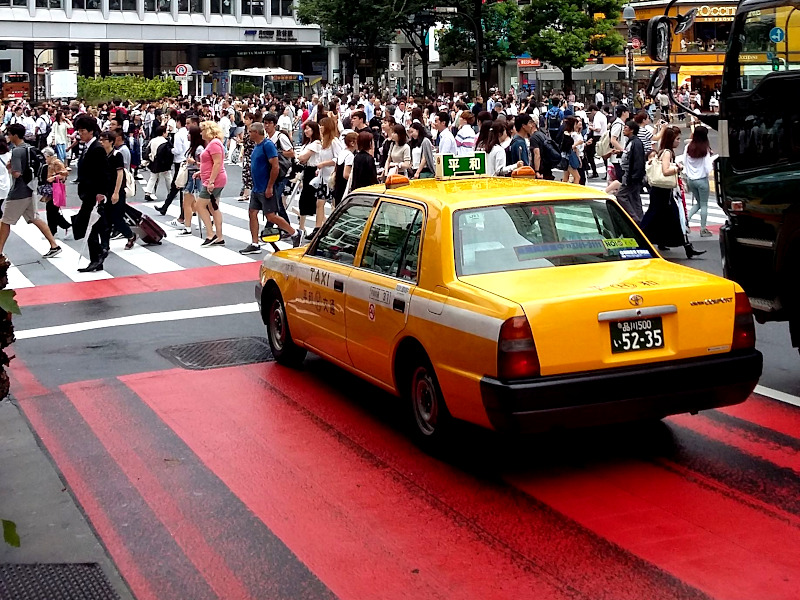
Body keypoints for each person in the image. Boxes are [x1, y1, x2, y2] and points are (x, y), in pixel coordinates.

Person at [641, 126, 706, 258]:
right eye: (677, 139)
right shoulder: (667, 153)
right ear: (671, 140)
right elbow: (665, 171)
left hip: (660, 191)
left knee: (664, 217)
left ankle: (665, 242)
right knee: (662, 216)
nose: (679, 141)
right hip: (663, 192)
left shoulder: (662, 151)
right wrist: (677, 168)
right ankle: (640, 237)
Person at [238, 122, 301, 255]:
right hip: (257, 187)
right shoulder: (257, 146)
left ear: (256, 132)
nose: (248, 134)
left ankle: (294, 233)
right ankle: (255, 243)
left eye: (250, 132)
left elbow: (275, 166)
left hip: (266, 187)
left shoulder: (267, 145)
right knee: (252, 213)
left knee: (271, 216)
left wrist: (270, 186)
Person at [0, 124, 61, 258]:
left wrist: (10, 168)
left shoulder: (17, 151)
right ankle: (54, 245)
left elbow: (16, 174)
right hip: (30, 189)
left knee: (5, 221)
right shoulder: (29, 148)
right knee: (35, 218)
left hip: (18, 192)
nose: (8, 137)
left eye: (9, 134)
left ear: (15, 135)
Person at [71, 114, 109, 241]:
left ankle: (99, 251)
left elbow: (103, 172)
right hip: (86, 190)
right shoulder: (87, 147)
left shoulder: (97, 149)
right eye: (79, 131)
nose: (80, 134)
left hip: (93, 191)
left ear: (91, 131)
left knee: (89, 222)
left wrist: (101, 192)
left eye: (83, 131)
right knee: (93, 223)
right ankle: (101, 249)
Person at [168, 124, 204, 235]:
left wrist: (193, 162)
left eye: (189, 133)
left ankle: (188, 226)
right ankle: (202, 219)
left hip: (194, 175)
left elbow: (204, 165)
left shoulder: (199, 149)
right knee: (192, 202)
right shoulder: (193, 147)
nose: (187, 135)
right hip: (191, 174)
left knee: (187, 202)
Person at [196, 120, 227, 247]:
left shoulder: (214, 144)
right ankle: (219, 236)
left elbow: (217, 163)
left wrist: (211, 181)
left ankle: (211, 233)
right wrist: (201, 172)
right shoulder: (214, 143)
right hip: (213, 178)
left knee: (200, 205)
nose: (201, 133)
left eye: (202, 130)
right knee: (213, 207)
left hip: (214, 180)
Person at [683, 125, 715, 237]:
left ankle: (686, 221)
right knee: (704, 204)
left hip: (691, 180)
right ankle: (703, 229)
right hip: (702, 180)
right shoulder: (705, 149)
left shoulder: (688, 147)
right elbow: (707, 168)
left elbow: (684, 162)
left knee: (699, 203)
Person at [156, 112, 189, 215]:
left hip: (179, 161)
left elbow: (178, 150)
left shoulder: (179, 134)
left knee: (178, 186)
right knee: (178, 186)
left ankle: (181, 212)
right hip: (187, 160)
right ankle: (165, 207)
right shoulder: (188, 132)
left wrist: (170, 150)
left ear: (178, 122)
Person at [615, 120, 646, 223]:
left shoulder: (635, 143)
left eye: (626, 128)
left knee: (621, 195)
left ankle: (634, 218)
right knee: (635, 197)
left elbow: (638, 161)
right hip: (630, 175)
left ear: (632, 130)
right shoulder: (631, 141)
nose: (624, 129)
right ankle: (640, 220)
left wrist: (634, 177)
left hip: (631, 176)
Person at [297, 120, 323, 235]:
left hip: (314, 171)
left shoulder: (316, 143)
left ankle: (304, 227)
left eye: (308, 129)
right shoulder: (308, 143)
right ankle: (302, 227)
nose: (306, 131)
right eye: (305, 129)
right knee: (308, 199)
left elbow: (303, 156)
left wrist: (298, 156)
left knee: (312, 200)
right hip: (307, 171)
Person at [39, 147, 72, 236]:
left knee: (52, 211)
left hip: (55, 188)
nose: (44, 159)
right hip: (52, 189)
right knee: (51, 210)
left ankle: (56, 230)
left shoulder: (56, 162)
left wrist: (53, 178)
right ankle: (57, 229)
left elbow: (65, 173)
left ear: (48, 156)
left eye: (45, 157)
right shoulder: (51, 163)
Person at [143, 126, 172, 203]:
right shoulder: (165, 141)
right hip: (163, 163)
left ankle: (147, 193)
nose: (167, 133)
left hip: (153, 161)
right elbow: (168, 154)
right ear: (163, 133)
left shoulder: (153, 140)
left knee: (153, 177)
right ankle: (171, 191)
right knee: (168, 177)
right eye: (166, 131)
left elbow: (147, 150)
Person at [332, 131, 357, 205]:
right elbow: (346, 175)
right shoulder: (350, 156)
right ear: (352, 143)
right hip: (344, 187)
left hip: (338, 185)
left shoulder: (342, 152)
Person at [607, 105, 630, 183]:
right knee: (620, 178)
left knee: (620, 178)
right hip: (617, 156)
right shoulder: (618, 124)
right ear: (623, 113)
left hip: (619, 156)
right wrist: (622, 150)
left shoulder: (621, 123)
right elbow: (613, 140)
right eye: (627, 111)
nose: (628, 113)